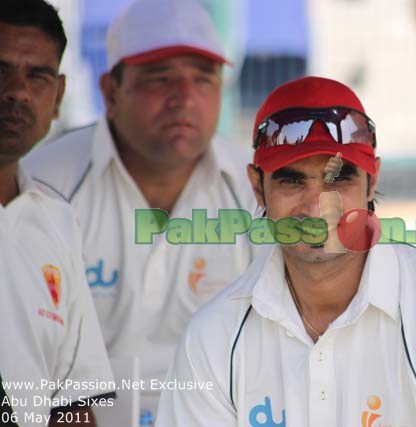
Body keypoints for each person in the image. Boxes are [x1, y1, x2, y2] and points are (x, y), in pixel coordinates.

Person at [156, 77, 416, 426]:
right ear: (257, 187)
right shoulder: (213, 337)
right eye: (291, 179)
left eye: (340, 177)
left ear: (371, 182)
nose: (317, 206)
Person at [23, 0, 255, 421]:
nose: (183, 99)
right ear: (111, 91)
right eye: (160, 79)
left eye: (203, 79)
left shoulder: (256, 191)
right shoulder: (43, 186)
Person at [0, 1, 114, 426]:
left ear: (59, 97)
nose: (16, 91)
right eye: (1, 70)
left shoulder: (57, 221)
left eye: (38, 76)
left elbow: (71, 401)